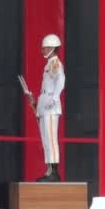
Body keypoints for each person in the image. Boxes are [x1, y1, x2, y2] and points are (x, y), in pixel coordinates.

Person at [35, 34, 65, 182]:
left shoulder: (55, 63)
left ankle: (54, 172)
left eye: (45, 47)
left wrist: (54, 98)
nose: (43, 50)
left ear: (53, 48)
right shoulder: (48, 64)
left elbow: (60, 81)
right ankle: (49, 170)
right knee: (46, 139)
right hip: (45, 107)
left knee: (51, 139)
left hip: (51, 108)